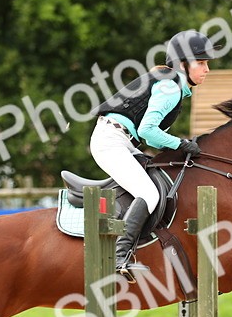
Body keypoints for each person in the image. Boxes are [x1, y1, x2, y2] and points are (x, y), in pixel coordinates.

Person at [90, 29, 218, 280]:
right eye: (201, 63)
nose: (206, 70)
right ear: (183, 64)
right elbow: (148, 131)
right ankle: (119, 256)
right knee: (148, 193)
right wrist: (181, 143)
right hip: (111, 142)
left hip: (121, 141)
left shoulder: (171, 83)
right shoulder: (170, 87)